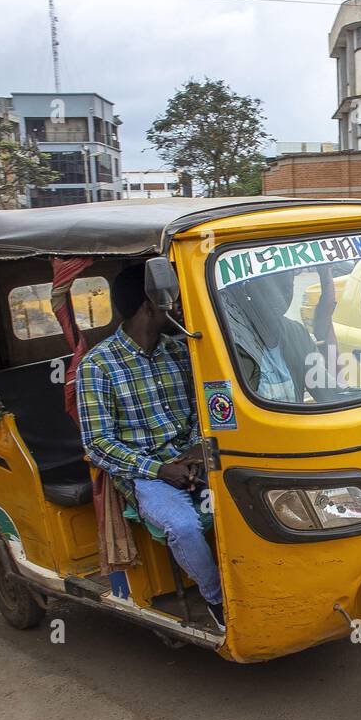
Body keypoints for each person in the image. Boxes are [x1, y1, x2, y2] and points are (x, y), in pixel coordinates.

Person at [77, 265, 224, 630]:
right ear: (149, 306)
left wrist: (193, 454)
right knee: (183, 526)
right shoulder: (97, 366)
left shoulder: (178, 350)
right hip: (145, 475)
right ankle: (218, 601)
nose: (176, 307)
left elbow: (199, 411)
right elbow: (97, 444)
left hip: (190, 461)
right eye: (169, 300)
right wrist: (160, 470)